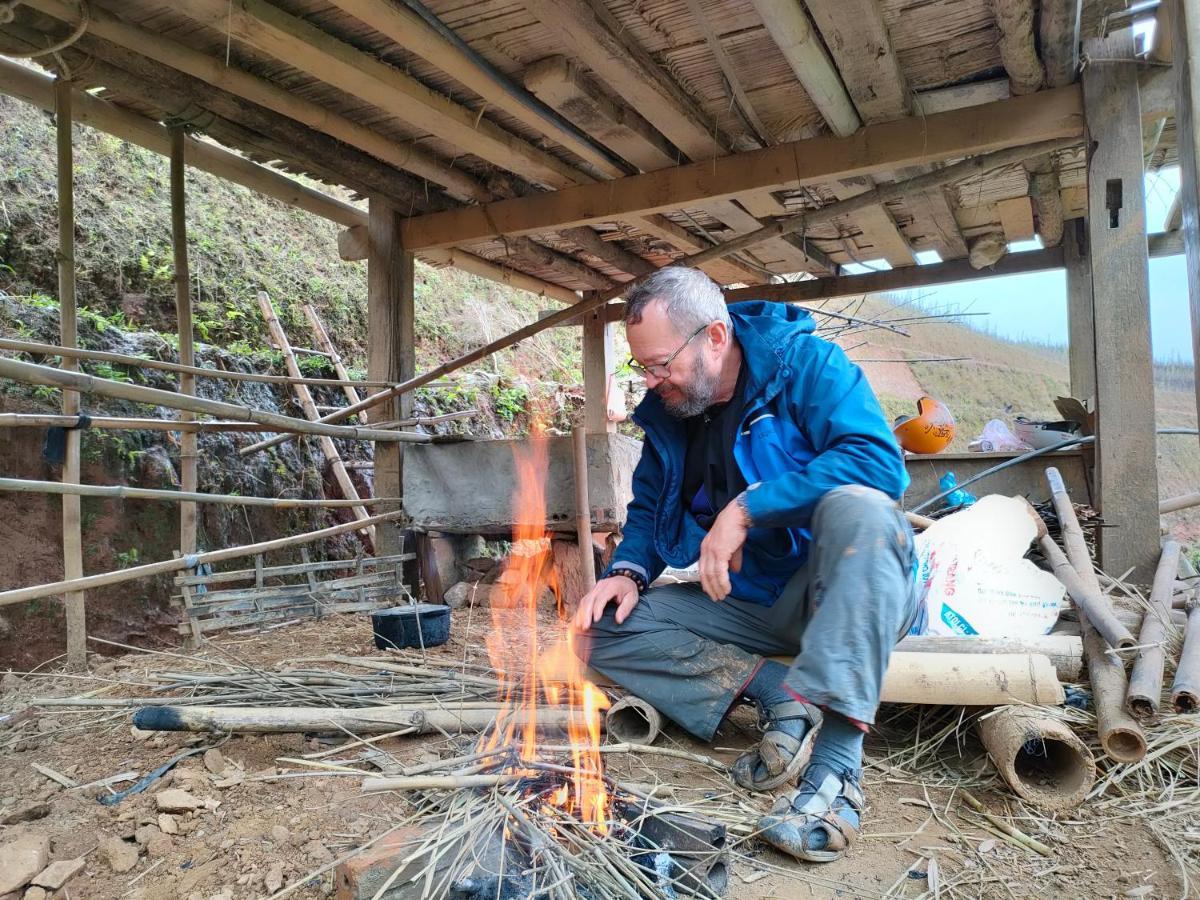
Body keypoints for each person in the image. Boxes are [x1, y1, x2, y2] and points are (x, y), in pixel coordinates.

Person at [573, 266, 920, 863]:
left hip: (845, 587)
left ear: (714, 336)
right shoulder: (672, 413)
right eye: (643, 366)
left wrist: (749, 508)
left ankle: (836, 777)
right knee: (597, 630)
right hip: (754, 600)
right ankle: (782, 697)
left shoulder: (807, 366)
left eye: (661, 364)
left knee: (861, 510)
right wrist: (627, 572)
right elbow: (652, 507)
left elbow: (879, 466)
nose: (652, 380)